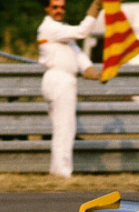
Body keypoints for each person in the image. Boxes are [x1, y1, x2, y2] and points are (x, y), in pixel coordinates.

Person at [38, 0, 102, 178]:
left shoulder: (60, 29)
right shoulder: (49, 27)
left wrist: (90, 69)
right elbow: (81, 32)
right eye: (55, 7)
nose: (59, 11)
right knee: (64, 128)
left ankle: (59, 170)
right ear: (47, 9)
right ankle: (62, 172)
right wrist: (94, 9)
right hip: (58, 79)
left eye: (62, 7)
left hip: (63, 80)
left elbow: (76, 52)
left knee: (65, 128)